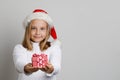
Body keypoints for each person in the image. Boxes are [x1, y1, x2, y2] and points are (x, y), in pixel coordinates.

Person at [13, 9, 62, 80]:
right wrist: (26, 67)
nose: (37, 32)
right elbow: (18, 64)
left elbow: (57, 66)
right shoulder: (20, 48)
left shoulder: (54, 47)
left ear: (47, 31)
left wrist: (51, 69)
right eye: (33, 28)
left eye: (42, 29)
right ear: (28, 30)